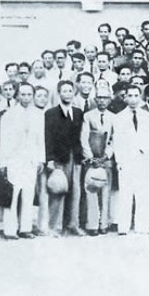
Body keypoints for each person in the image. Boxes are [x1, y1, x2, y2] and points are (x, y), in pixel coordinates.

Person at [0, 82, 44, 239]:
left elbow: (40, 139)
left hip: (30, 160)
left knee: (29, 194)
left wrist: (40, 159)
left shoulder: (38, 114)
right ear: (17, 95)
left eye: (29, 94)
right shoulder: (8, 114)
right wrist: (3, 163)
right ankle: (10, 229)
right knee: (13, 194)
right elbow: (3, 140)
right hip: (14, 160)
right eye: (23, 94)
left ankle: (25, 228)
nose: (26, 97)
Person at [113, 85, 149, 234]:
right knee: (125, 194)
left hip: (143, 159)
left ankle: (141, 225)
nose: (133, 99)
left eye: (136, 95)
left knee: (142, 193)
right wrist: (119, 161)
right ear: (125, 97)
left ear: (140, 97)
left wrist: (145, 150)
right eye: (130, 96)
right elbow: (117, 141)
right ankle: (123, 227)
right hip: (127, 160)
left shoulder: (147, 116)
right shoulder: (119, 117)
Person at [44, 80, 85, 236]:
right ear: (59, 93)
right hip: (59, 158)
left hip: (75, 157)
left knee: (76, 192)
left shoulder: (78, 112)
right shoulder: (51, 113)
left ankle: (73, 224)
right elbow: (48, 137)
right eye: (64, 91)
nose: (67, 94)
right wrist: (50, 159)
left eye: (70, 91)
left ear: (74, 93)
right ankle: (55, 226)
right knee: (58, 190)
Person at [80, 83, 114, 235]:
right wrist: (91, 157)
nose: (102, 101)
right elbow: (84, 138)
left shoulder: (114, 117)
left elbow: (114, 139)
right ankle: (92, 224)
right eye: (99, 98)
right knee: (91, 189)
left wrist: (106, 155)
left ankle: (104, 223)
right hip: (92, 159)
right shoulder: (88, 116)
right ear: (95, 99)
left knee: (105, 191)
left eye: (105, 98)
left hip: (106, 159)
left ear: (109, 100)